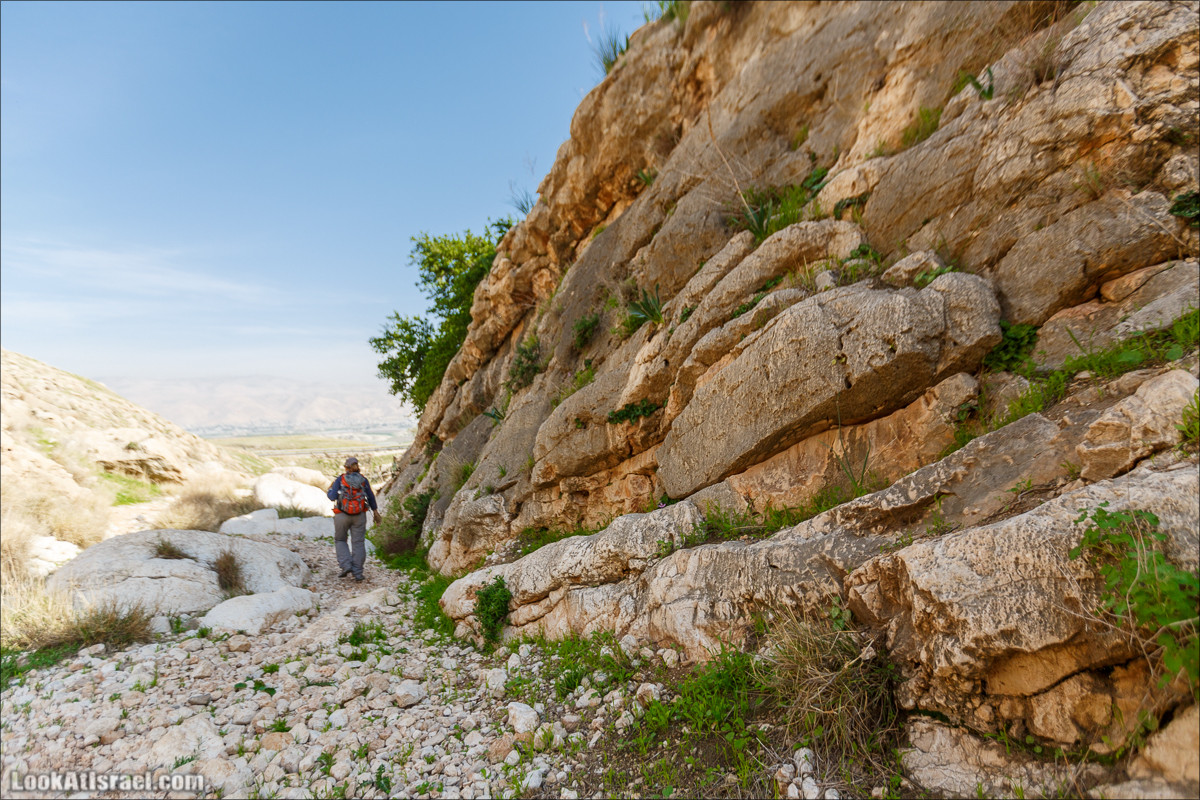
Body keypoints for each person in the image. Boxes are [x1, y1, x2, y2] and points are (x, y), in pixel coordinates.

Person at [327, 456, 382, 582]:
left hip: (341, 515)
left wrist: (329, 491)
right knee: (358, 542)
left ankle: (346, 565)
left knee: (340, 540)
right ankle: (358, 572)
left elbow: (332, 496)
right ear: (358, 467)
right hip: (359, 516)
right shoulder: (363, 480)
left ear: (346, 467)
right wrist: (375, 512)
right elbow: (371, 498)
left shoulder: (340, 479)